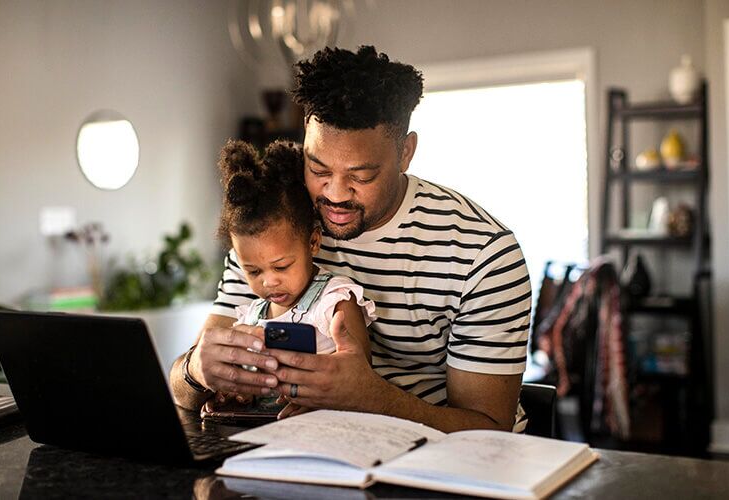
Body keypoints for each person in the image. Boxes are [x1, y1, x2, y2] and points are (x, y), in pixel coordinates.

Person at [170, 45, 532, 433]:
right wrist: (196, 370)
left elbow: (489, 432)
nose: (336, 194)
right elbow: (181, 389)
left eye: (361, 176)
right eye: (318, 168)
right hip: (304, 448)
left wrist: (370, 399)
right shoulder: (277, 228)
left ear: (406, 152)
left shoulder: (482, 253)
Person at [206, 139, 375, 416]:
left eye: (282, 266)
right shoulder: (251, 317)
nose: (269, 282)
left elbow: (360, 382)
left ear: (313, 242)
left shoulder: (334, 302)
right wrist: (234, 392)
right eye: (253, 271)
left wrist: (320, 399)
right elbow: (247, 379)